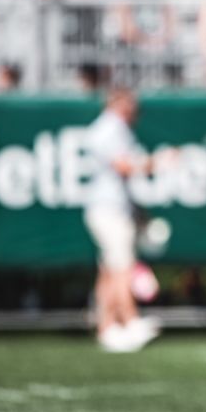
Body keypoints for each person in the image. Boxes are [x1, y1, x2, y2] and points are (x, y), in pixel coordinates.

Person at [83, 89, 161, 353]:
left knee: (108, 271)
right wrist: (155, 162)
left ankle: (107, 326)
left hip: (112, 207)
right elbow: (124, 166)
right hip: (108, 209)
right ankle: (130, 321)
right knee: (121, 268)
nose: (134, 110)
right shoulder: (109, 129)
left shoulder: (114, 129)